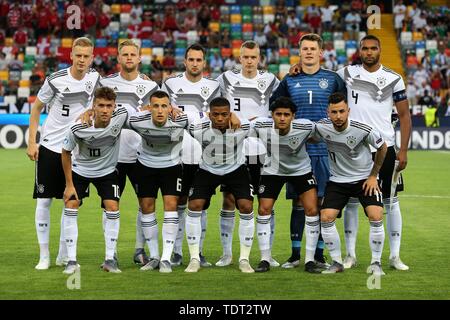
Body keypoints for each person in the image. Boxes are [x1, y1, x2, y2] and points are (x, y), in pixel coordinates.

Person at [271, 33, 346, 269]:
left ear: (321, 53)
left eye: (313, 49)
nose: (309, 52)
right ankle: (295, 254)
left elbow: (342, 110)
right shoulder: (289, 80)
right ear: (299, 52)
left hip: (324, 151)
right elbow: (274, 108)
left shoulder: (333, 79)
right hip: (296, 152)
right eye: (305, 49)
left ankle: (319, 254)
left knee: (322, 204)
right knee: (298, 204)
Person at [336, 35, 412, 271]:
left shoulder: (393, 78)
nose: (369, 52)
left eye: (373, 48)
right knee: (350, 201)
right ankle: (350, 255)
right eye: (365, 48)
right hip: (352, 147)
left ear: (380, 50)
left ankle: (395, 256)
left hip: (385, 147)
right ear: (359, 50)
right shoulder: (345, 74)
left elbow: (404, 116)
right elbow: (321, 78)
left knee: (390, 202)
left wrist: (403, 149)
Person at [27, 37, 101, 270]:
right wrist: (32, 142)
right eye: (78, 55)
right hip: (50, 147)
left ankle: (62, 255)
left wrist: (90, 110)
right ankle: (44, 255)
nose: (82, 60)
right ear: (71, 55)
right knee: (44, 201)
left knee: (71, 202)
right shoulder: (55, 80)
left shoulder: (95, 78)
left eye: (86, 56)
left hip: (78, 150)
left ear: (92, 57)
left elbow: (105, 101)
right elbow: (36, 109)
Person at [216, 40, 280, 268]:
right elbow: (210, 100)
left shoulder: (271, 80)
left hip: (262, 151)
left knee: (266, 203)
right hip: (234, 150)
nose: (250, 61)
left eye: (254, 57)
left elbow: (283, 103)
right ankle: (226, 254)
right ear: (239, 57)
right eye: (246, 57)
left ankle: (267, 253)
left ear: (259, 58)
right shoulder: (225, 79)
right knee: (229, 200)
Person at [127, 90, 206, 273]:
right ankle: (154, 256)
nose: (160, 110)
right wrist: (89, 112)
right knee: (147, 208)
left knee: (171, 206)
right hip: (145, 166)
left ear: (170, 107)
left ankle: (166, 258)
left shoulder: (182, 119)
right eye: (156, 106)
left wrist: (233, 115)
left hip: (171, 166)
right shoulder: (136, 120)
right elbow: (113, 114)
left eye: (164, 106)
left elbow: (208, 115)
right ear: (149, 108)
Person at [313, 92, 387, 276]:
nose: (338, 116)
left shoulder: (362, 129)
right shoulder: (321, 127)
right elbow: (308, 134)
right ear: (328, 112)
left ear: (348, 111)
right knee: (326, 217)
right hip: (338, 180)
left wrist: (373, 176)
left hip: (364, 179)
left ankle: (376, 262)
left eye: (342, 111)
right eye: (334, 112)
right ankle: (337, 262)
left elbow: (382, 147)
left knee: (376, 215)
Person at [100, 39, 159, 267]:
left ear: (139, 58)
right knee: (109, 205)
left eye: (132, 54)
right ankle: (111, 252)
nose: (129, 58)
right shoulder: (105, 84)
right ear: (118, 58)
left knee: (144, 203)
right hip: (111, 155)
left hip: (140, 154)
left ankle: (139, 249)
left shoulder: (152, 86)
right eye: (124, 54)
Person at [161, 43, 221, 268]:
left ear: (204, 63)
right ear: (184, 61)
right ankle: (176, 251)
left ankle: (199, 252)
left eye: (199, 60)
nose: (195, 63)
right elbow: (159, 107)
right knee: (178, 203)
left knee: (201, 204)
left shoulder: (214, 86)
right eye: (191, 59)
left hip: (204, 154)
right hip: (177, 153)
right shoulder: (170, 84)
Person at [184, 97, 255, 273]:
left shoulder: (243, 126)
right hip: (208, 169)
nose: (220, 118)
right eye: (216, 115)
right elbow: (180, 117)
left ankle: (244, 259)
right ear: (209, 115)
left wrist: (238, 117)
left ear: (230, 113)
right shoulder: (197, 128)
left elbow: (261, 121)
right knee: (194, 204)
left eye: (224, 114)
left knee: (246, 206)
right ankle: (194, 258)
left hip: (236, 169)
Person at [252, 97, 323, 273]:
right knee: (263, 210)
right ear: (272, 115)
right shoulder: (261, 125)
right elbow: (239, 124)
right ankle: (264, 259)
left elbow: (319, 135)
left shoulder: (305, 126)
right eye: (278, 114)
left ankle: (309, 260)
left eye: (286, 115)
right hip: (272, 170)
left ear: (293, 116)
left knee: (312, 210)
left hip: (301, 171)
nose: (282, 118)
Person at [61, 87, 127, 275]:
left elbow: (144, 110)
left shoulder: (121, 116)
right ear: (94, 106)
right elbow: (65, 153)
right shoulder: (78, 127)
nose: (105, 110)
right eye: (100, 106)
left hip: (107, 171)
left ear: (115, 107)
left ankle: (109, 259)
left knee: (112, 208)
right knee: (71, 204)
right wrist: (69, 185)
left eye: (109, 106)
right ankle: (71, 260)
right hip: (81, 171)